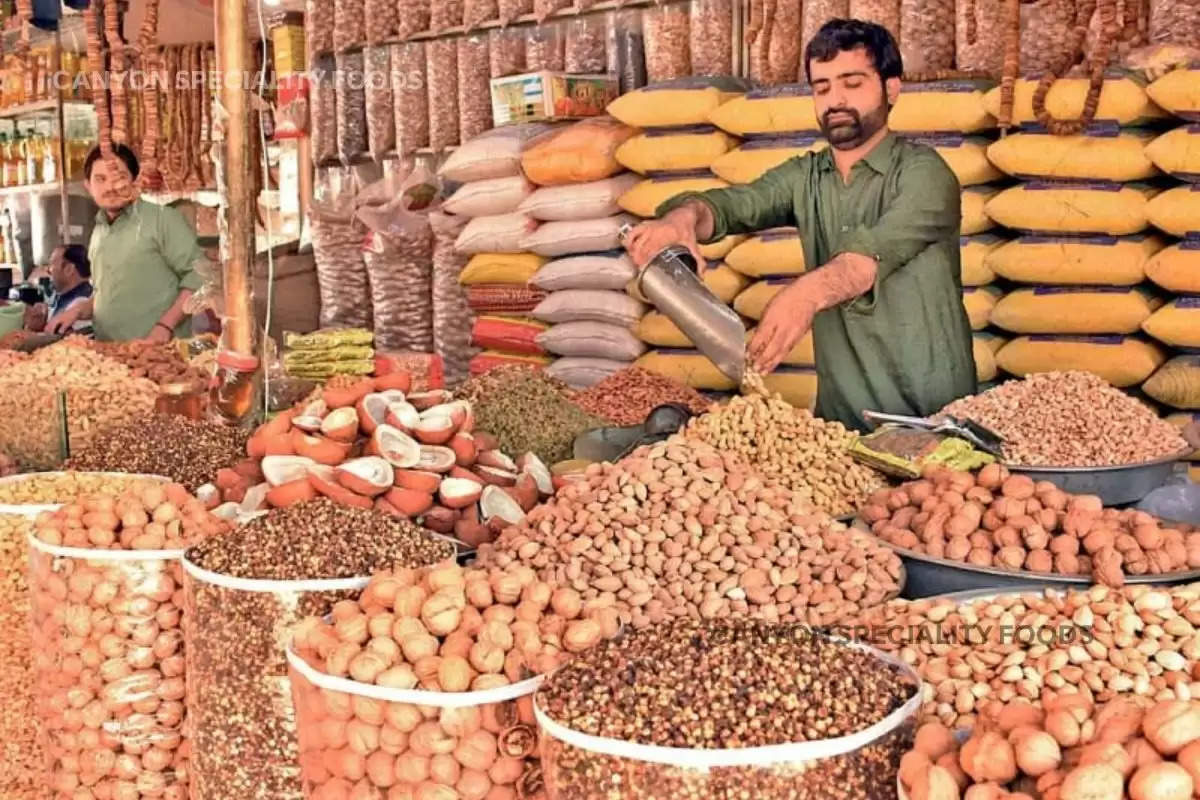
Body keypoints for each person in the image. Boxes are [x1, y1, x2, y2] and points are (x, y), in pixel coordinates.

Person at [624, 19, 976, 433]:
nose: (836, 100)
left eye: (852, 83)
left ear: (892, 88)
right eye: (822, 87)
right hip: (842, 427)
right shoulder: (805, 177)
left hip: (933, 420)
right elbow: (734, 205)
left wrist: (804, 295)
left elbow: (862, 262)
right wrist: (681, 219)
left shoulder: (925, 174)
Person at [47, 144, 203, 342]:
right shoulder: (99, 231)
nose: (110, 187)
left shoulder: (163, 220)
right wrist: (76, 311)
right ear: (88, 186)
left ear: (134, 181)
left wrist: (165, 327)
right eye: (100, 179)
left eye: (119, 178)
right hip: (110, 357)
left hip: (160, 354)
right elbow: (108, 295)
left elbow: (198, 277)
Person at [24, 244, 94, 335]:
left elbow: (57, 343)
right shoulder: (65, 297)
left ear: (68, 269)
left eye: (51, 265)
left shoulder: (80, 304)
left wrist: (31, 329)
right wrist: (40, 322)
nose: (48, 271)